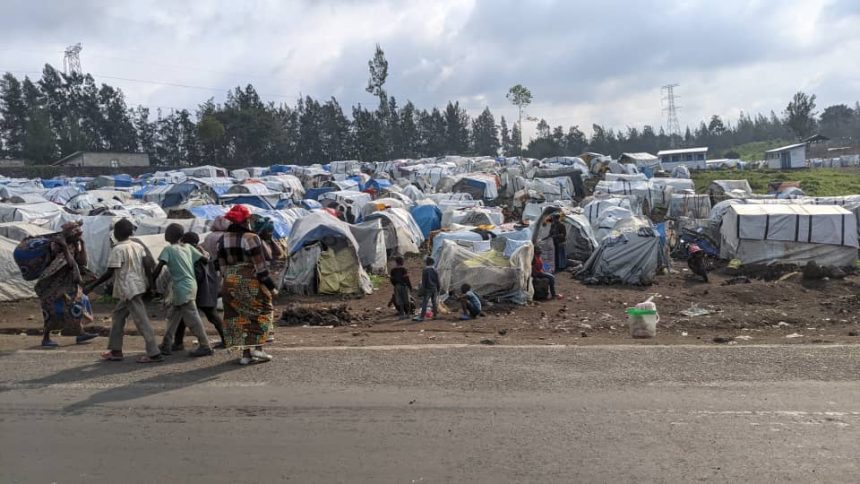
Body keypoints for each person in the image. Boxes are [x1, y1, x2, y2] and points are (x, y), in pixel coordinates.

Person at [86, 218, 162, 363]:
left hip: (129, 289)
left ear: (116, 233)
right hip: (137, 286)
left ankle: (154, 352)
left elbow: (110, 272)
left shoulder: (118, 249)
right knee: (118, 316)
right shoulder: (137, 246)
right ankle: (115, 350)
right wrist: (151, 285)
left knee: (141, 321)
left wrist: (91, 286)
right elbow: (147, 265)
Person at [218, 205, 278, 365]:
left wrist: (230, 279)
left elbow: (221, 266)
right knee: (263, 309)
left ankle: (245, 355)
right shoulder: (251, 238)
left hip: (229, 281)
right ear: (246, 221)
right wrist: (271, 286)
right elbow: (260, 267)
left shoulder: (222, 239)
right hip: (249, 279)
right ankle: (259, 349)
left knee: (238, 316)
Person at [152, 223, 213, 357]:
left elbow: (158, 268)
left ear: (169, 236)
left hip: (181, 288)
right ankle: (166, 344)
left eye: (167, 232)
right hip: (190, 285)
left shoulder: (168, 249)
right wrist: (202, 252)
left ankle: (205, 345)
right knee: (173, 316)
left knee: (193, 319)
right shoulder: (188, 248)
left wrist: (151, 283)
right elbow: (205, 260)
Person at [36, 221, 99, 348]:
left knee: (77, 305)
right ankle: (46, 338)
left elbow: (82, 262)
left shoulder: (73, 244)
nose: (78, 234)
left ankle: (80, 333)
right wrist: (65, 248)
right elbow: (69, 264)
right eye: (75, 232)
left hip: (67, 283)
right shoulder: (57, 246)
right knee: (52, 310)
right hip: (53, 284)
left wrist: (82, 243)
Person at [171, 232, 226, 351]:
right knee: (211, 316)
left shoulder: (193, 254)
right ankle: (178, 342)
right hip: (208, 288)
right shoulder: (204, 252)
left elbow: (196, 274)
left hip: (199, 290)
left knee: (209, 316)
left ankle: (179, 343)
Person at [413, 257, 439, 322]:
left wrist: (422, 289)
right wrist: (438, 288)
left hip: (427, 289)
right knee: (434, 302)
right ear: (433, 262)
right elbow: (438, 281)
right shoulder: (435, 270)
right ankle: (435, 315)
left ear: (427, 262)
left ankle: (422, 316)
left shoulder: (425, 270)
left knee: (425, 302)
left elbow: (423, 281)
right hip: (434, 288)